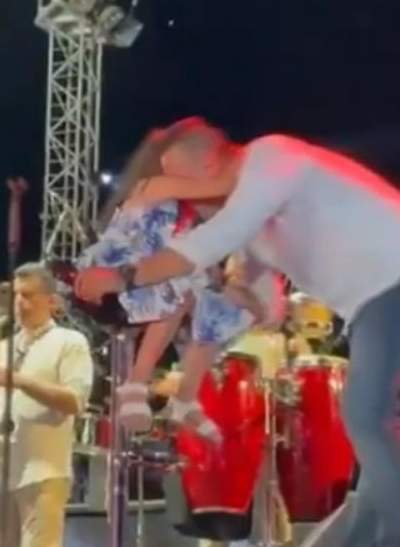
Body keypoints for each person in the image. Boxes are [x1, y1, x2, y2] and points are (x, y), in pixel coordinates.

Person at [75, 117, 400, 547]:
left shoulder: (272, 155)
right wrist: (220, 289)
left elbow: (214, 238)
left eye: (180, 182)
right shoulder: (254, 226)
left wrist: (125, 276)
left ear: (210, 164)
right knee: (381, 438)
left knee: (368, 416)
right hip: (385, 297)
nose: (181, 200)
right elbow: (268, 308)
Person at [78, 129, 283, 440]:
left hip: (148, 282)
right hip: (115, 272)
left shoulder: (187, 211)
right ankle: (136, 383)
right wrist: (251, 169)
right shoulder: (155, 186)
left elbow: (229, 220)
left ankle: (185, 398)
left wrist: (251, 296)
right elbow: (224, 188)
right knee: (183, 283)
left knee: (219, 304)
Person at [0, 263, 93, 547]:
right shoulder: (3, 346)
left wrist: (19, 381)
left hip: (42, 470)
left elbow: (74, 401)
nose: (19, 303)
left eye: (28, 295)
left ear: (52, 301)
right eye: (16, 295)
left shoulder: (70, 342)